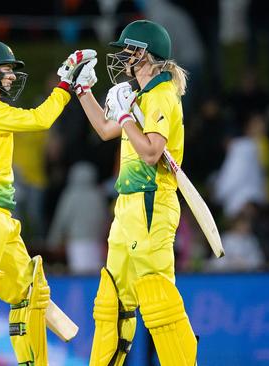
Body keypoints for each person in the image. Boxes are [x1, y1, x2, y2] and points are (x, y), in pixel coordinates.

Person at [0, 40, 94, 366]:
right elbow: (40, 120)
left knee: (30, 293)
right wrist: (64, 86)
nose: (11, 76)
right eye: (6, 68)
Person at [72, 20, 198, 365]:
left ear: (148, 55)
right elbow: (104, 129)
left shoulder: (161, 96)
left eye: (130, 50)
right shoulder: (141, 96)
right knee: (111, 302)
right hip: (127, 207)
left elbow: (152, 152)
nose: (124, 57)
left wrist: (127, 115)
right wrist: (82, 91)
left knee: (158, 299)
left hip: (151, 203)